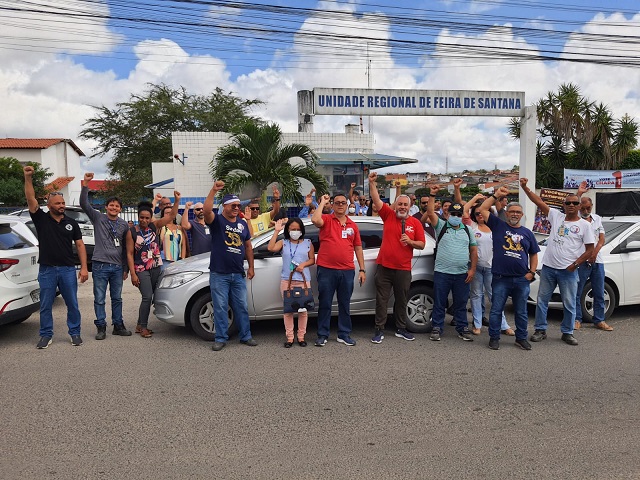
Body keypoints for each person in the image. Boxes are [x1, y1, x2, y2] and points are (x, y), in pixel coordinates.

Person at [521, 178, 594, 346]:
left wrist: (575, 265)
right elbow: (538, 201)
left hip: (568, 271)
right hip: (548, 268)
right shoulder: (556, 216)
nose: (570, 205)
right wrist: (525, 188)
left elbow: (590, 249)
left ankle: (567, 332)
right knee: (542, 301)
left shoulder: (585, 225)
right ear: (564, 205)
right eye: (567, 203)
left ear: (579, 206)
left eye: (574, 203)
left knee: (569, 303)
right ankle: (540, 329)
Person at [24, 166, 89, 348]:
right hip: (47, 270)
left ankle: (75, 333)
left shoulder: (71, 222)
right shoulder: (41, 219)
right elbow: (30, 198)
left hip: (68, 270)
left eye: (63, 203)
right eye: (58, 203)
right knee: (45, 306)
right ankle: (46, 335)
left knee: (72, 304)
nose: (62, 206)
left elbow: (80, 245)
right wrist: (28, 178)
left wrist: (84, 268)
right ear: (49, 206)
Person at [478, 186, 540, 350]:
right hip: (500, 278)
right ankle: (494, 337)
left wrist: (531, 272)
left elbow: (534, 254)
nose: (514, 214)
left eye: (518, 212)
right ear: (506, 213)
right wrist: (496, 195)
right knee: (497, 310)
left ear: (522, 215)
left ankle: (521, 338)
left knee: (521, 311)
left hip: (521, 279)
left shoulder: (527, 233)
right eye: (511, 211)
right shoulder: (498, 225)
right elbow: (482, 208)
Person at [368, 172, 425, 343]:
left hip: (403, 268)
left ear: (409, 206)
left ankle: (401, 328)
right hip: (384, 267)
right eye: (399, 204)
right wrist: (372, 183)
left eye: (405, 205)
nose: (402, 207)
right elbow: (377, 200)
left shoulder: (415, 223)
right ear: (396, 205)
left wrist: (411, 241)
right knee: (381, 300)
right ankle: (379, 329)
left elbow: (422, 244)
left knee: (402, 300)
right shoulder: (388, 216)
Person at [203, 182, 257, 351]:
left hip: (237, 274)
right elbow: (206, 211)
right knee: (219, 307)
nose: (236, 208)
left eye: (238, 205)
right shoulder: (217, 221)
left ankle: (246, 336)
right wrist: (213, 190)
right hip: (219, 274)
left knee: (242, 306)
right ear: (224, 206)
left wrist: (251, 267)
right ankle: (220, 338)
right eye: (233, 205)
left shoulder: (242, 224)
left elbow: (248, 246)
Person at [80, 172, 132, 340]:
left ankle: (118, 325)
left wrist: (125, 268)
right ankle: (101, 327)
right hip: (100, 265)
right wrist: (86, 185)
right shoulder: (98, 218)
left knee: (117, 298)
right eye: (111, 205)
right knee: (100, 298)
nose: (113, 208)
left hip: (117, 267)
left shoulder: (124, 224)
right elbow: (84, 204)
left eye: (117, 206)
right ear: (106, 207)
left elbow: (125, 248)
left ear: (120, 209)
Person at [311, 193, 366, 346]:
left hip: (347, 271)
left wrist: (362, 269)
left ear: (347, 205)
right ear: (333, 205)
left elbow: (358, 248)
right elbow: (315, 219)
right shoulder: (327, 220)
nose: (340, 205)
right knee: (325, 303)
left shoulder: (352, 225)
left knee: (344, 304)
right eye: (337, 203)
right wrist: (323, 202)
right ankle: (322, 334)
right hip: (326, 270)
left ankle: (344, 334)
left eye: (343, 203)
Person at [425, 184, 477, 342]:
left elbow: (473, 251)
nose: (455, 216)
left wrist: (472, 269)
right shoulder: (441, 226)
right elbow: (429, 212)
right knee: (440, 302)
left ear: (462, 215)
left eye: (458, 214)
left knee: (461, 303)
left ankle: (462, 328)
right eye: (452, 213)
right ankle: (437, 327)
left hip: (462, 273)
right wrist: (432, 195)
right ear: (447, 214)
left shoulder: (467, 230)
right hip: (442, 272)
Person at [126, 194, 180, 338]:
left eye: (147, 217)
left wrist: (177, 201)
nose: (144, 220)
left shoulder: (154, 226)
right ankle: (143, 327)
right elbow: (130, 254)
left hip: (156, 267)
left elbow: (172, 215)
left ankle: (139, 324)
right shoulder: (132, 232)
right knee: (147, 297)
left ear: (151, 218)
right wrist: (133, 274)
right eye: (142, 217)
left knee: (151, 297)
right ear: (138, 217)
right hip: (141, 269)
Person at [463, 195, 515, 337]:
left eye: (482, 212)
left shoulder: (496, 227)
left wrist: (496, 196)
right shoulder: (472, 227)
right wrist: (474, 198)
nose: (480, 215)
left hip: (493, 268)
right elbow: (464, 210)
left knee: (495, 296)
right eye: (477, 213)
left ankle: (503, 325)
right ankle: (477, 324)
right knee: (476, 295)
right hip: (476, 267)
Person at [268, 217, 315, 347]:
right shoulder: (283, 242)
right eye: (292, 229)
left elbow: (312, 259)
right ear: (288, 229)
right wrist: (276, 231)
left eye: (298, 229)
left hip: (303, 281)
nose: (295, 231)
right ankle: (290, 338)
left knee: (303, 310)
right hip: (287, 281)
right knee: (288, 311)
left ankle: (301, 337)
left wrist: (303, 264)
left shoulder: (307, 243)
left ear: (302, 230)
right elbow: (271, 248)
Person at [575, 191, 613, 331]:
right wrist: (578, 193)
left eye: (588, 208)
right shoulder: (575, 219)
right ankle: (577, 319)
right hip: (581, 260)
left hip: (597, 260)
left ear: (591, 206)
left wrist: (594, 253)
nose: (585, 211)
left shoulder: (597, 218)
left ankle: (599, 320)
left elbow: (602, 238)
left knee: (599, 291)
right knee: (577, 292)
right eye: (583, 208)